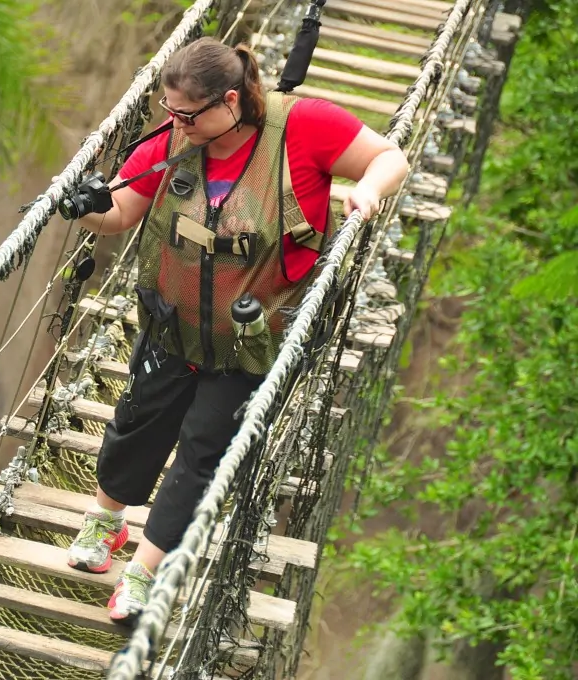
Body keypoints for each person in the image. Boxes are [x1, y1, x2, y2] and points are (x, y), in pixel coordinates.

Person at [58, 37, 409, 624]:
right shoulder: (174, 137)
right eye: (170, 112)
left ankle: (144, 572)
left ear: (229, 101)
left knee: (202, 451)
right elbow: (119, 214)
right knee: (136, 425)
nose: (177, 125)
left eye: (189, 115)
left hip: (254, 338)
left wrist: (367, 191)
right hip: (171, 326)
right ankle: (107, 519)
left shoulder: (302, 128)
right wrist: (79, 206)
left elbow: (390, 157)